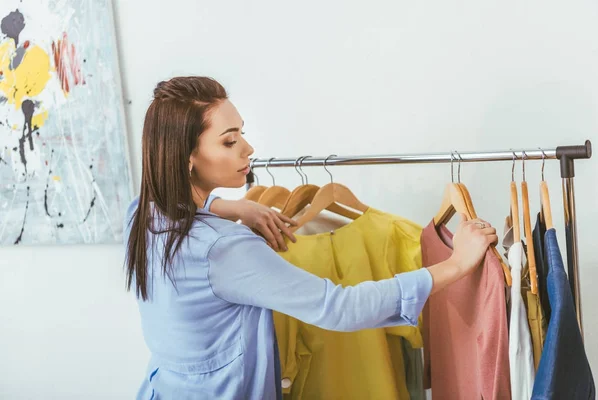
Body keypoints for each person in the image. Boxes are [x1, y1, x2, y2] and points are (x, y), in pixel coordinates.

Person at [124, 76, 498, 399]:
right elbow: (340, 308)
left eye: (243, 133)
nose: (248, 148)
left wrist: (231, 207)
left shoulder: (142, 217)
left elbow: (174, 206)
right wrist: (457, 264)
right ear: (188, 157)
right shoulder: (225, 249)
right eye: (229, 141)